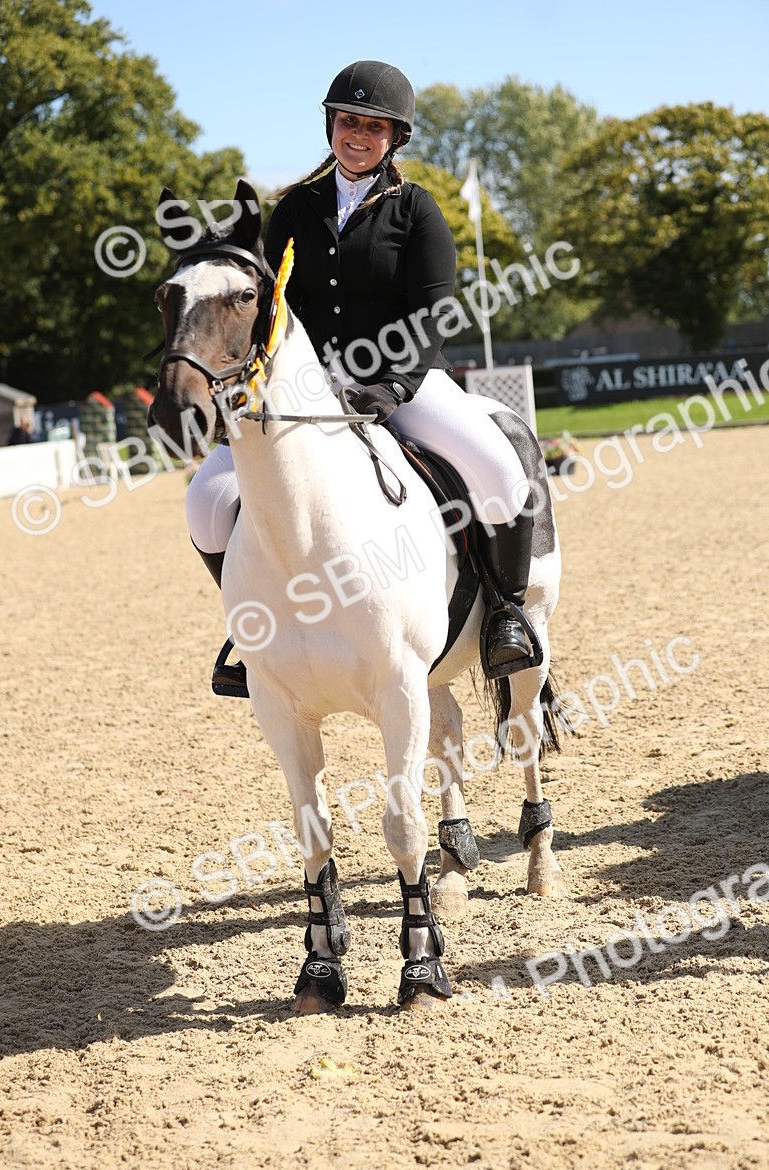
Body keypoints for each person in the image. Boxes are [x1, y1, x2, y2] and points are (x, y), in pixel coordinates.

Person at [186, 60, 537, 697]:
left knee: (497, 467)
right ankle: (252, 626)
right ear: (331, 125)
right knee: (207, 500)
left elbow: (434, 313)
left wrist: (395, 386)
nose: (357, 134)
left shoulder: (416, 210)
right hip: (305, 393)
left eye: (373, 126)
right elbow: (263, 299)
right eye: (348, 120)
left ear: (394, 138)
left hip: (405, 381)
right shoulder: (295, 209)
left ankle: (506, 617)